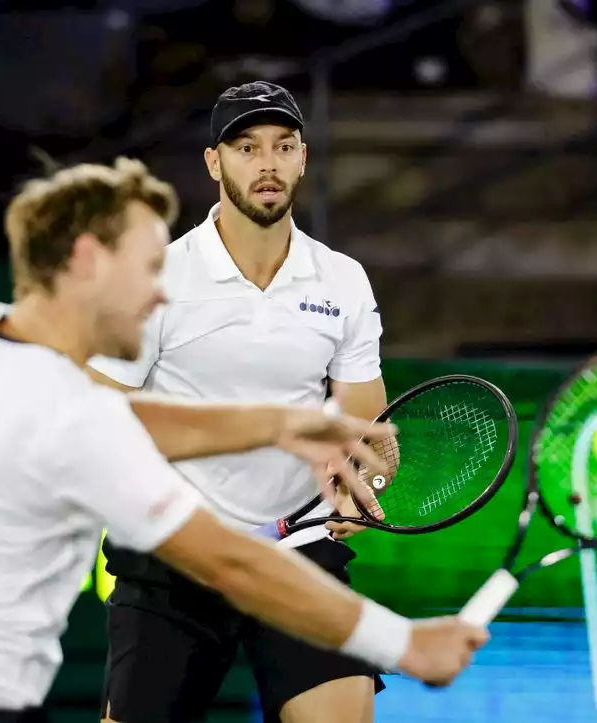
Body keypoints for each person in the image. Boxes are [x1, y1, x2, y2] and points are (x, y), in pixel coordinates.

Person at [0, 157, 488, 723]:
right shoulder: (74, 424)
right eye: (148, 269)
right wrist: (404, 642)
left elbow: (116, 415)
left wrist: (276, 423)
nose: (161, 296)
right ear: (90, 259)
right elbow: (234, 564)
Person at [88, 82, 398, 723]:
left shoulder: (342, 279)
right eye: (247, 147)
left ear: (304, 158)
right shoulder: (155, 280)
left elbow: (365, 428)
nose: (268, 164)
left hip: (297, 554)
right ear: (213, 163)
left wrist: (361, 483)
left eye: (283, 147)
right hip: (172, 561)